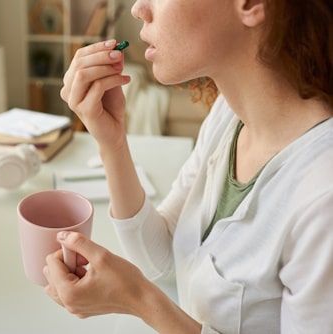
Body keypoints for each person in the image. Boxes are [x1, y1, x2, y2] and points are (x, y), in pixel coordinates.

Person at [43, 0, 333, 332]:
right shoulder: (229, 115)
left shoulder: (323, 200)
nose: (139, 8)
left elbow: (149, 281)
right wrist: (112, 142)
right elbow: (160, 255)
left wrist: (140, 299)